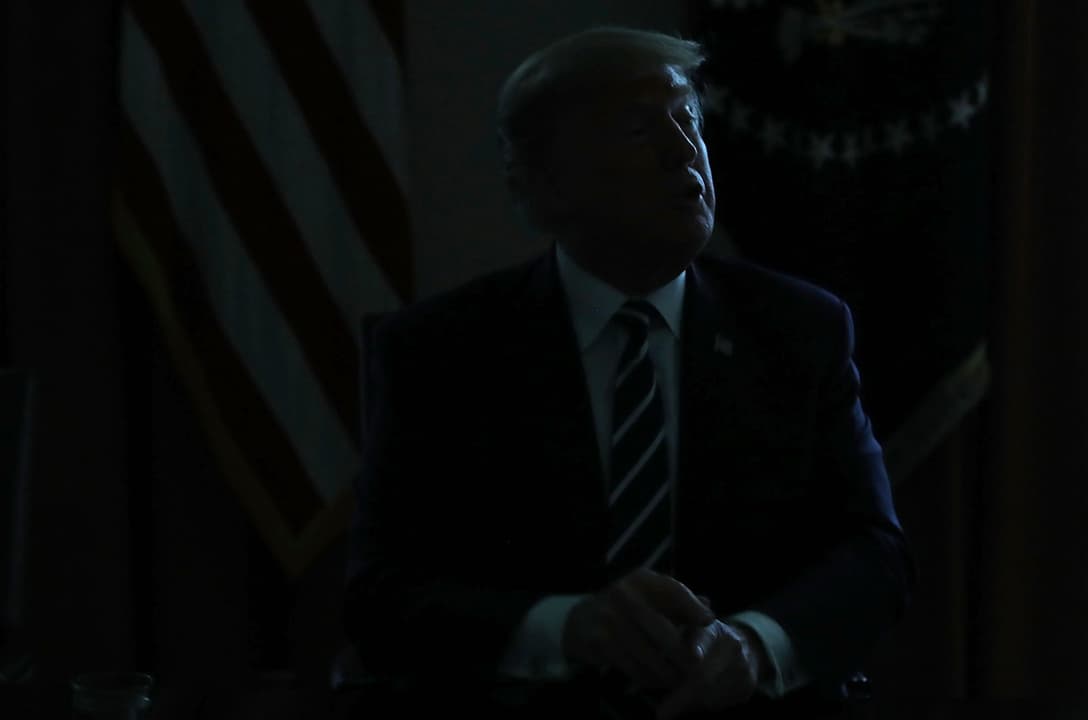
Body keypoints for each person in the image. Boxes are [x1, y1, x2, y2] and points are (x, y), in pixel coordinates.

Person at [342, 25, 913, 717]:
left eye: (688, 120)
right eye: (641, 130)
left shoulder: (799, 329)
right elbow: (379, 593)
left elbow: (874, 555)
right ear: (544, 184)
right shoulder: (440, 351)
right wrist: (568, 629)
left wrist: (754, 645)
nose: (684, 151)